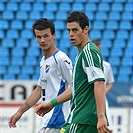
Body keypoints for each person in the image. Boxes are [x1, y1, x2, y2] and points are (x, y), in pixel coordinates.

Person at [35, 11, 112, 133]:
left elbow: (99, 83)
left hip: (83, 119)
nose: (71, 34)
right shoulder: (81, 55)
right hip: (82, 119)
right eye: (69, 30)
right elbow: (75, 88)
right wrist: (52, 103)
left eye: (75, 30)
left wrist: (101, 116)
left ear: (85, 30)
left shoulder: (89, 52)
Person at [8, 18, 73, 133]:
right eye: (39, 37)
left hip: (58, 120)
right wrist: (20, 112)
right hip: (48, 120)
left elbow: (75, 87)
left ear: (54, 35)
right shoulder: (44, 61)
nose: (42, 40)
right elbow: (39, 89)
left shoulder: (61, 59)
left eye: (46, 36)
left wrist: (53, 103)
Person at [92, 39, 115, 132]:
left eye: (99, 49)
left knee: (108, 127)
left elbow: (110, 83)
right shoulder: (85, 65)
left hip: (102, 100)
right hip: (88, 99)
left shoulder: (106, 66)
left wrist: (102, 92)